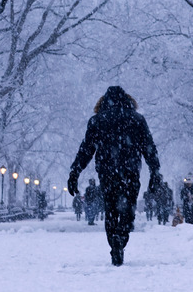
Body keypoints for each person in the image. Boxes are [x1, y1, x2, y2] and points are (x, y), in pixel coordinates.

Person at [67, 86, 161, 266]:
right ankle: (121, 237)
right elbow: (149, 148)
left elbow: (86, 149)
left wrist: (75, 172)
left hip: (107, 172)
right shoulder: (137, 119)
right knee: (127, 209)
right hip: (130, 171)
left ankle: (114, 243)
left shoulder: (97, 121)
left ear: (104, 101)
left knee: (110, 209)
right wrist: (154, 171)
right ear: (127, 100)